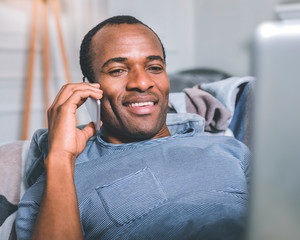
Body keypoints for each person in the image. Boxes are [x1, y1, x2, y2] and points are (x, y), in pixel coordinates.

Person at [15, 15, 251, 240]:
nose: (142, 82)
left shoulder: (229, 148)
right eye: (118, 70)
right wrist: (60, 157)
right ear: (90, 89)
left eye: (155, 67)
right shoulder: (58, 185)